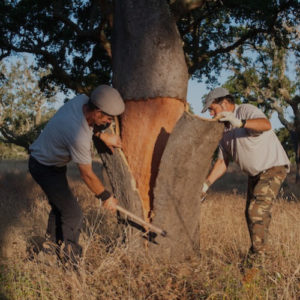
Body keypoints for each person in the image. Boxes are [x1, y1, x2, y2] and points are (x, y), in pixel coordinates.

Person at [28, 85, 125, 265]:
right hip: (43, 167)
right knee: (73, 214)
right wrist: (105, 196)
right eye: (108, 119)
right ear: (97, 112)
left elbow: (90, 124)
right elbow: (86, 174)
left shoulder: (81, 101)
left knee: (61, 207)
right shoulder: (77, 135)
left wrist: (102, 136)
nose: (109, 123)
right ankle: (71, 264)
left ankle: (50, 248)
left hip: (51, 164)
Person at [200, 87, 290, 267]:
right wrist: (205, 185)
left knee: (255, 212)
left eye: (212, 109)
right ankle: (261, 253)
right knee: (252, 214)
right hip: (255, 174)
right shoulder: (223, 131)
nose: (211, 114)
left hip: (273, 167)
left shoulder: (244, 110)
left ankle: (258, 263)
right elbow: (222, 163)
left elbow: (265, 125)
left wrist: (238, 121)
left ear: (224, 103)